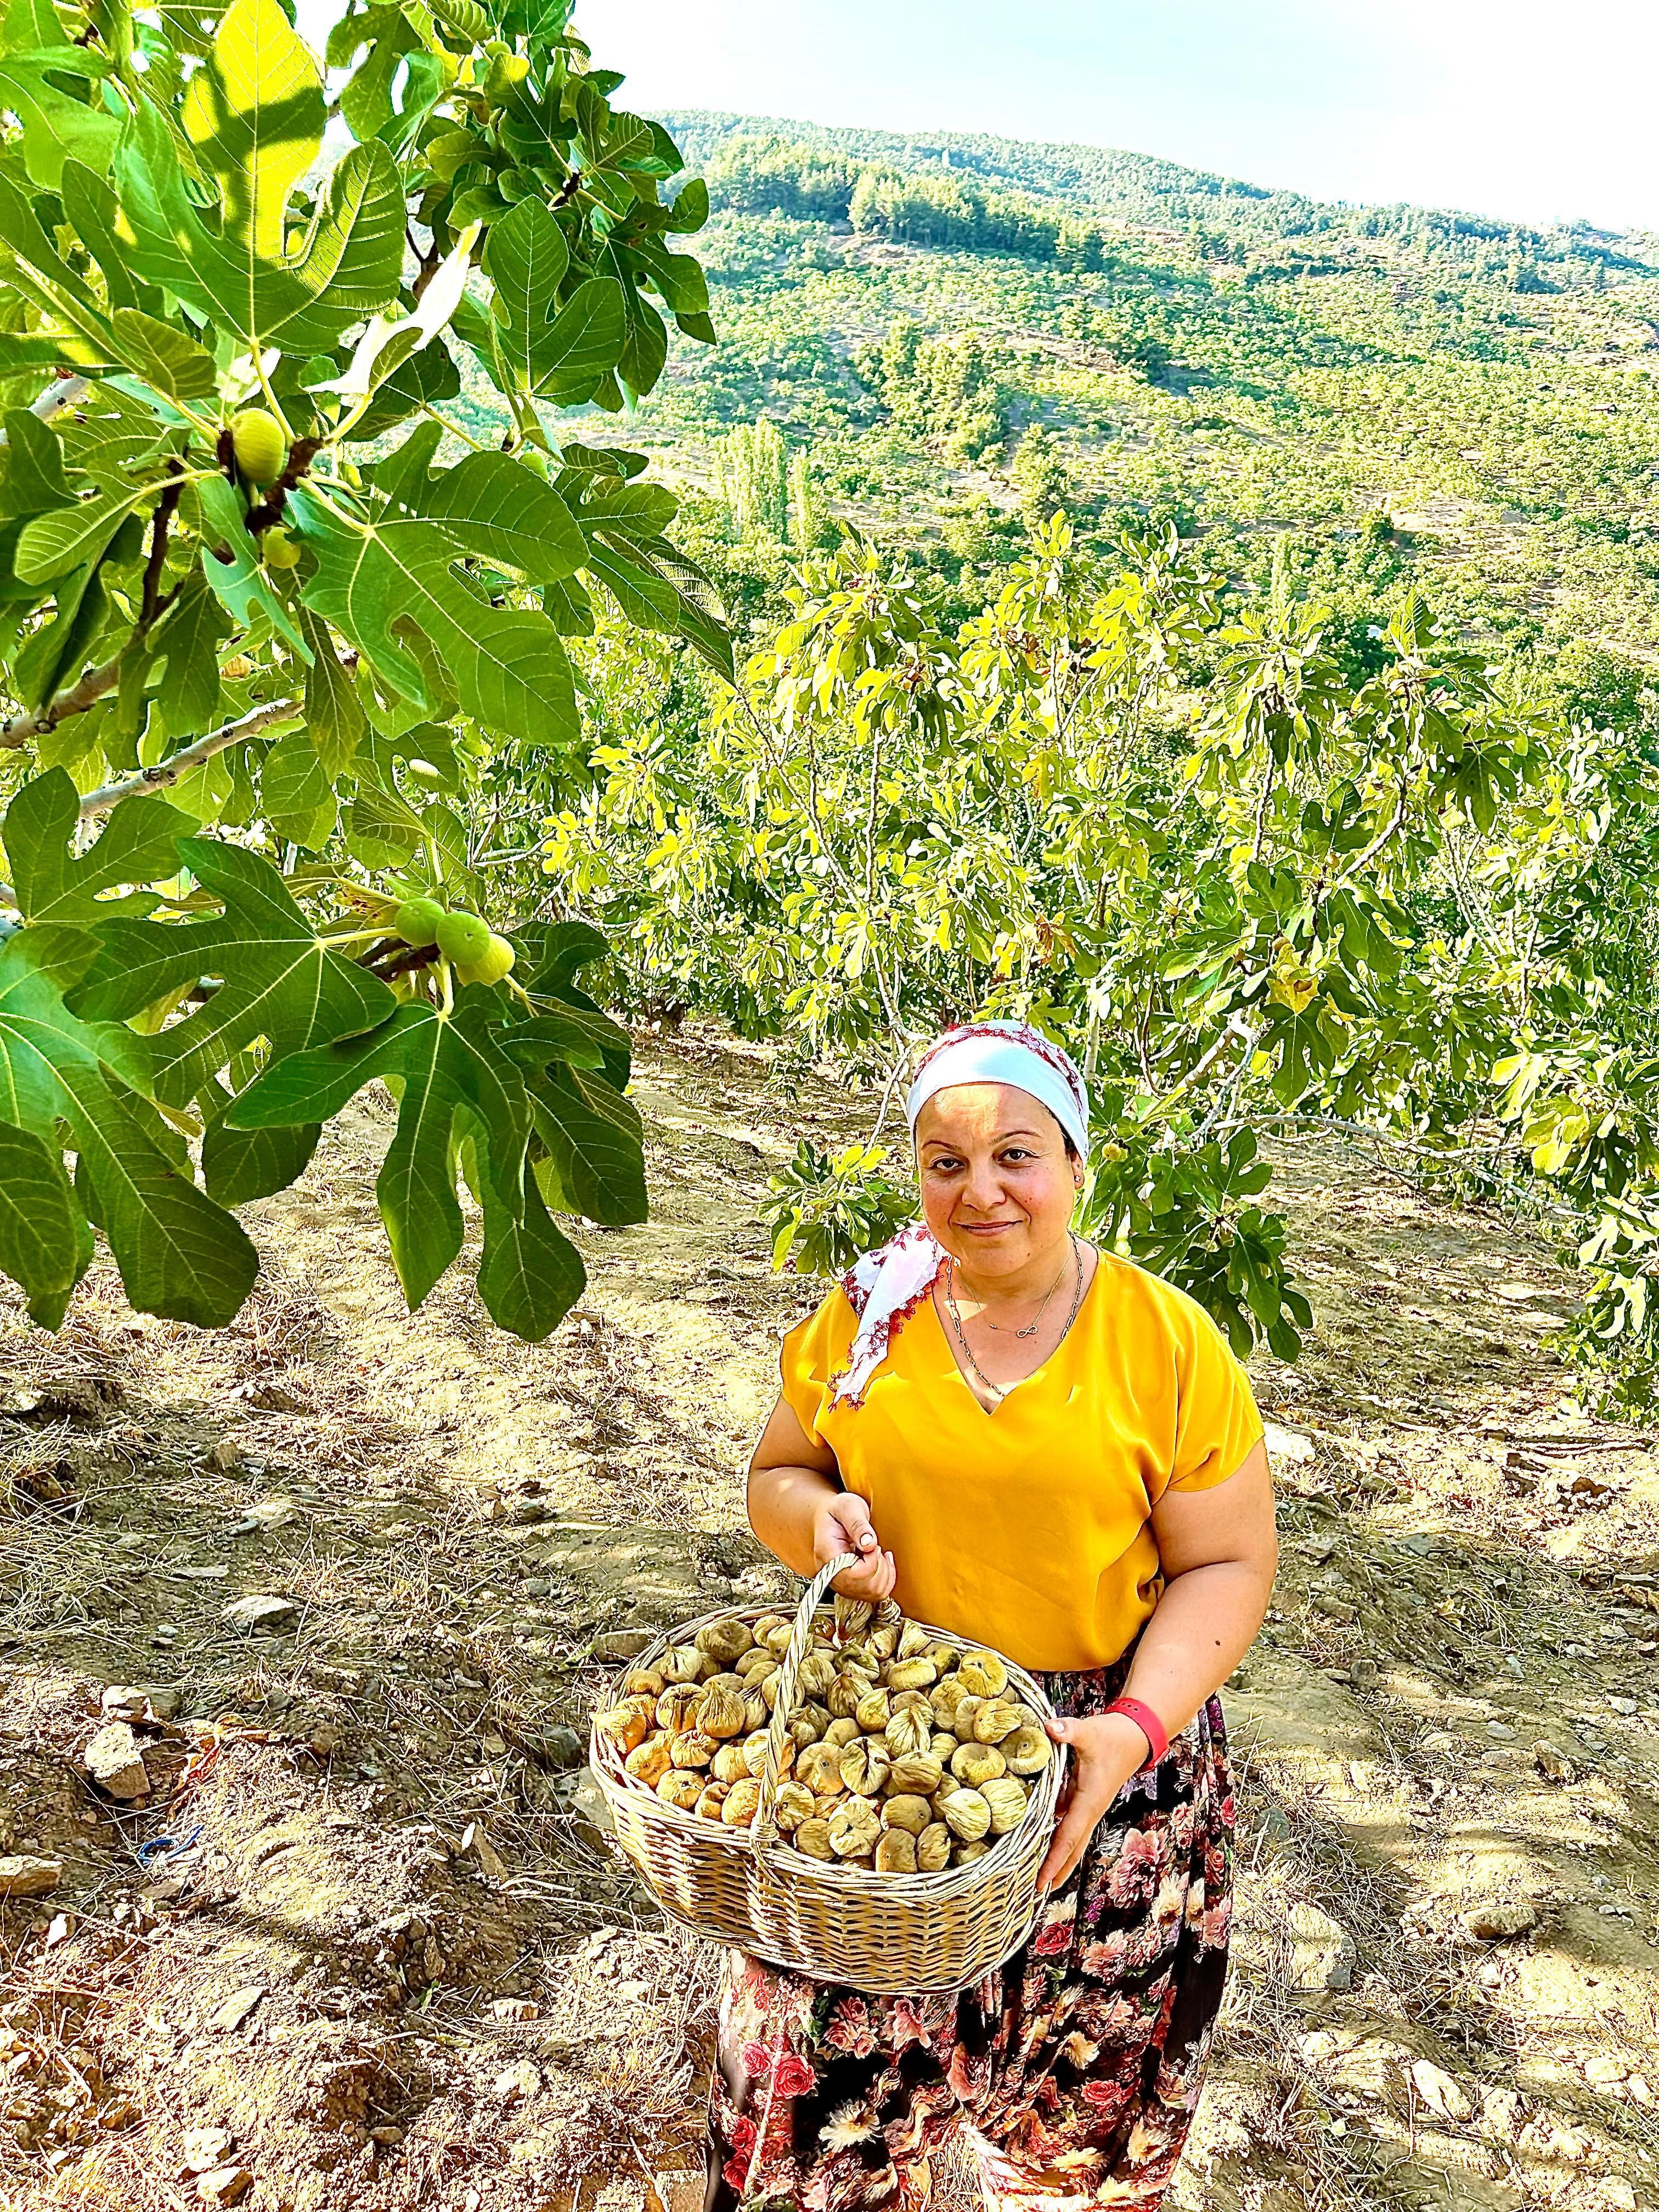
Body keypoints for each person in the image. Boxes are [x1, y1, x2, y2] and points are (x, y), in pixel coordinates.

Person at [708, 1020, 1278, 2210]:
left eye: (1017, 1154)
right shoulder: (869, 1313)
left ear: (1077, 1165)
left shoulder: (1166, 1344)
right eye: (946, 1162)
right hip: (880, 1759)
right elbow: (779, 1474)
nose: (981, 1191)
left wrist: (1131, 1731)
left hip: (1099, 1770)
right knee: (823, 2124)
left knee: (1082, 2142)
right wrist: (818, 1524)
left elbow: (1227, 1564)